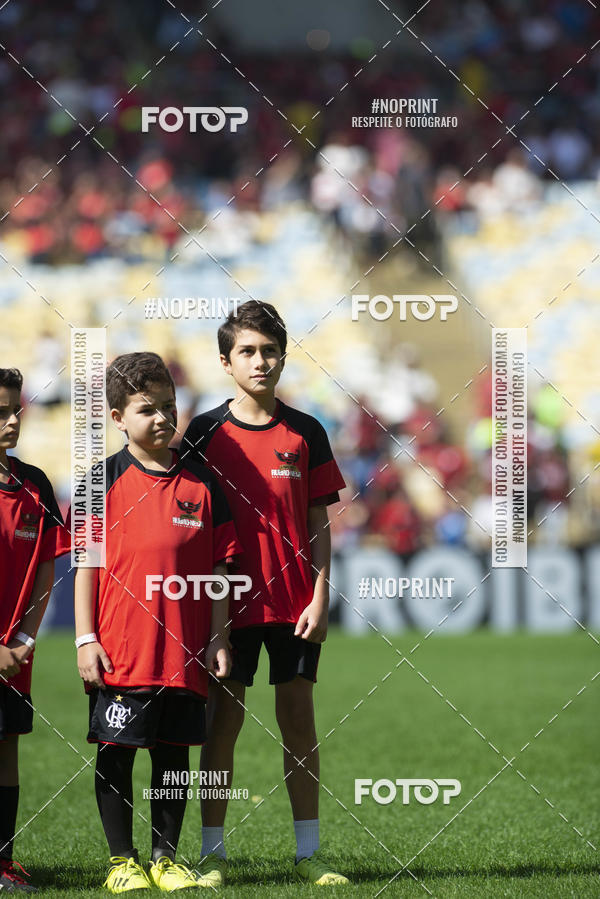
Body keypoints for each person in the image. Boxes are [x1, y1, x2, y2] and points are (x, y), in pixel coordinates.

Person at [182, 301, 349, 886]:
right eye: (247, 351)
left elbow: (320, 522)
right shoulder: (201, 433)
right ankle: (211, 853)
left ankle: (310, 854)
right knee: (220, 727)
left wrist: (322, 596)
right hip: (225, 607)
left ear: (283, 355)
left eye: (269, 350)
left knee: (299, 725)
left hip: (295, 605)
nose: (260, 361)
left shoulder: (307, 430)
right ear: (225, 362)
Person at [73, 352, 241, 893]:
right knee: (117, 755)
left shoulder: (202, 483)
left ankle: (166, 859)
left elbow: (219, 567)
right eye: (148, 409)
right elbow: (86, 566)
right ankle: (122, 861)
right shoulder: (101, 481)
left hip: (184, 652)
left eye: (169, 406)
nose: (163, 418)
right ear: (118, 417)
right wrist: (85, 638)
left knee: (173, 759)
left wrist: (218, 635)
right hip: (122, 651)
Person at [0, 367, 69, 892]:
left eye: (14, 411)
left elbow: (48, 564)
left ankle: (4, 861)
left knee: (7, 748)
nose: (9, 423)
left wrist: (24, 638)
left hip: (14, 655)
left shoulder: (35, 484)